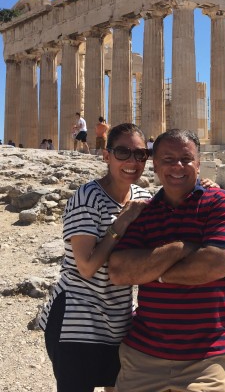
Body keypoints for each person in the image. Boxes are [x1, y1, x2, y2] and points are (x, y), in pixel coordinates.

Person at [109, 129, 225, 392]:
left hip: (208, 357)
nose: (177, 166)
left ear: (199, 163)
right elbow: (120, 270)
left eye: (186, 158)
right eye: (168, 159)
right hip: (143, 354)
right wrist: (181, 249)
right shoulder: (144, 212)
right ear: (155, 165)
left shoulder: (220, 202)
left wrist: (152, 272)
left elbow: (216, 263)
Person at [39, 123, 153, 392]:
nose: (132, 161)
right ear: (106, 155)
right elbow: (87, 267)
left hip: (119, 321)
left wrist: (202, 187)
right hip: (76, 321)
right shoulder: (87, 197)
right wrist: (121, 222)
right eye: (122, 152)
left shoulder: (143, 196)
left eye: (140, 154)